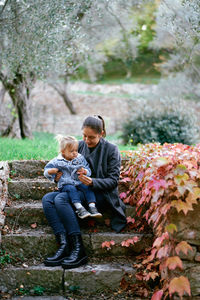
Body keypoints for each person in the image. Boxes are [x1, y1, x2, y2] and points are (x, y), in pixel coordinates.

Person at [42, 115, 127, 269]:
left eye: (92, 137)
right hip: (75, 189)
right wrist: (57, 176)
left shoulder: (111, 150)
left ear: (101, 134)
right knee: (47, 199)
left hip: (98, 195)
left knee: (61, 199)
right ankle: (64, 245)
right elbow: (62, 164)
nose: (87, 141)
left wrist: (93, 181)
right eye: (84, 136)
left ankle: (78, 249)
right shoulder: (77, 146)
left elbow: (113, 180)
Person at [44, 135, 102, 219]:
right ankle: (79, 208)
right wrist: (50, 171)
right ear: (63, 151)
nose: (75, 153)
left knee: (87, 186)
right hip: (65, 184)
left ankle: (92, 206)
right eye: (72, 151)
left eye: (76, 150)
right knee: (71, 189)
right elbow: (46, 171)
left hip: (78, 182)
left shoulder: (80, 158)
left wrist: (85, 171)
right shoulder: (56, 161)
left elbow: (87, 168)